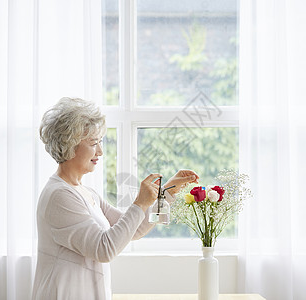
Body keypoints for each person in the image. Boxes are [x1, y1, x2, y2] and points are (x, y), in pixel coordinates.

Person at [32, 97, 199, 300]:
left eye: (100, 142)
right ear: (69, 144)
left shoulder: (85, 191)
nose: (100, 151)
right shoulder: (60, 196)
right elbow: (105, 249)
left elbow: (133, 229)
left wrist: (168, 191)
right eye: (93, 143)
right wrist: (140, 202)